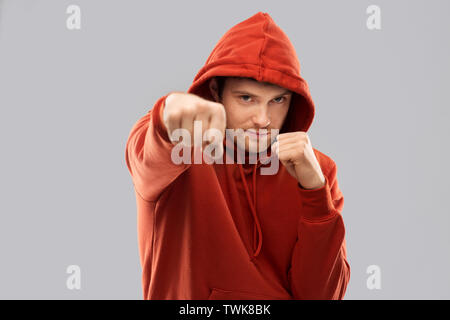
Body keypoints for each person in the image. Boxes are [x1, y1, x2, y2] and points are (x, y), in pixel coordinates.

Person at [125, 11, 350, 300]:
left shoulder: (317, 170)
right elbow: (146, 155)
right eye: (246, 98)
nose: (262, 119)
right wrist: (166, 117)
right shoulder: (179, 152)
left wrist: (315, 193)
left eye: (277, 100)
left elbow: (321, 296)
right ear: (216, 91)